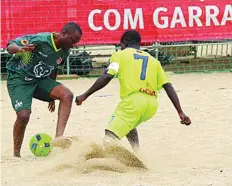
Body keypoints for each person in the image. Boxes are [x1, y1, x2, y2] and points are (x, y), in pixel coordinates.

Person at [75, 30, 191, 153]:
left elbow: (107, 76)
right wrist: (180, 112)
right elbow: (168, 86)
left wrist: (85, 95)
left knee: (109, 135)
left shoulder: (119, 55)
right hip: (151, 105)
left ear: (124, 43)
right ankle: (137, 152)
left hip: (134, 101)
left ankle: (114, 162)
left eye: (120, 45)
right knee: (129, 123)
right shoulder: (154, 61)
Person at [6, 22, 82, 157]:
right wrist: (19, 49)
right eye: (72, 41)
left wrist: (51, 95)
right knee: (23, 115)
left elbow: (53, 70)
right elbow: (10, 46)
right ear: (63, 33)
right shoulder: (40, 40)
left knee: (67, 95)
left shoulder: (65, 52)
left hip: (40, 80)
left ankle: (59, 138)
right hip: (19, 79)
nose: (73, 45)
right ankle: (16, 154)